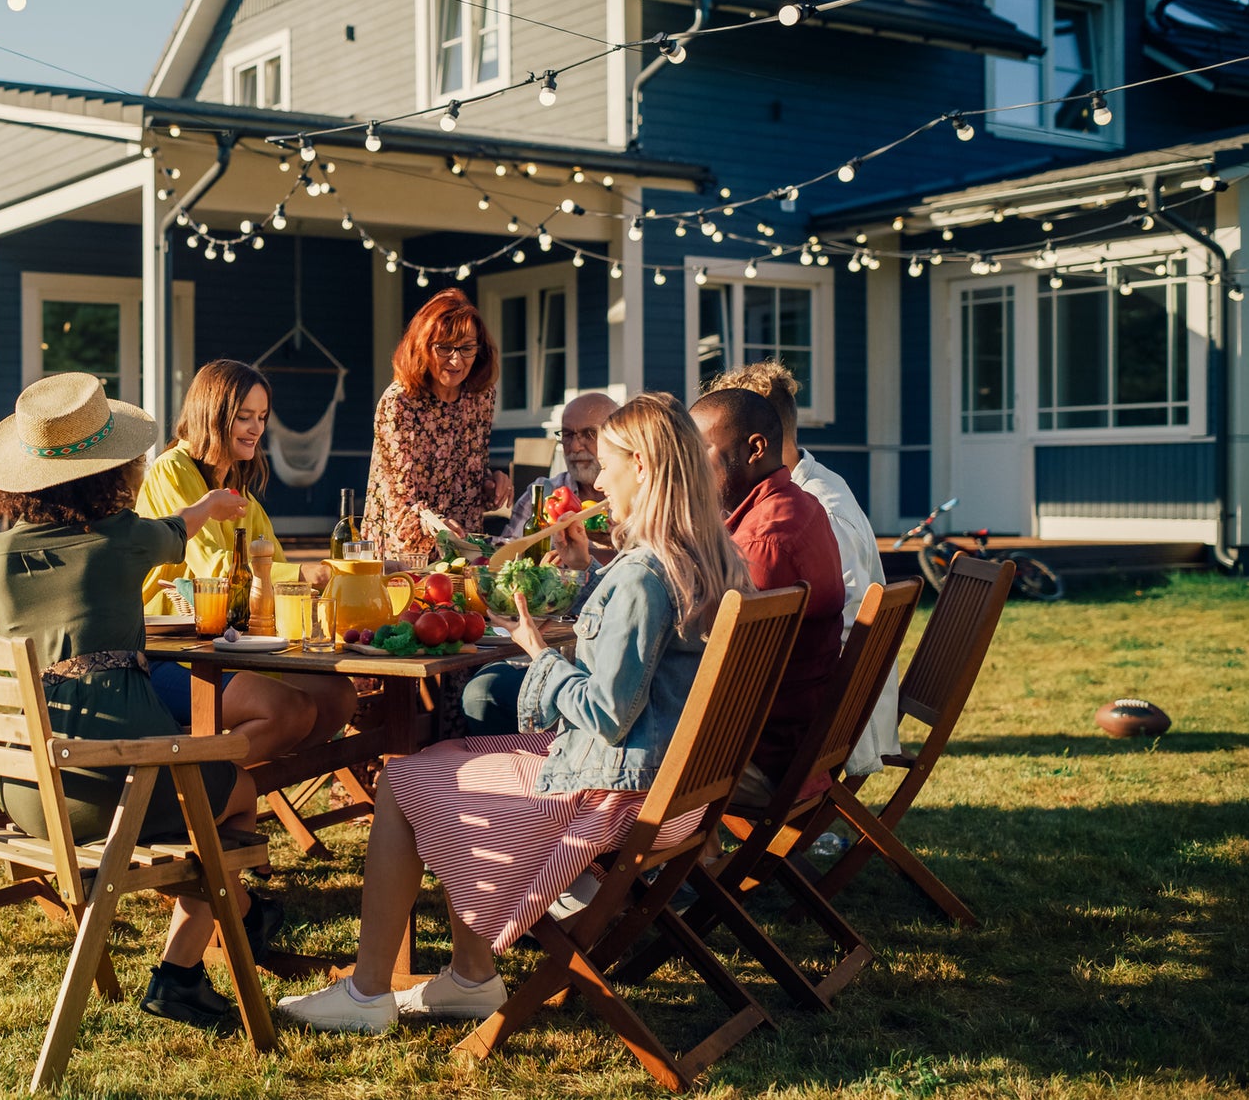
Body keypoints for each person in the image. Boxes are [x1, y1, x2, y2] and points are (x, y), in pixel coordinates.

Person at [275, 392, 753, 1032]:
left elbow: (608, 713)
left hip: (613, 796)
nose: (599, 479)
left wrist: (538, 653)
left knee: (403, 780)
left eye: (608, 464)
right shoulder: (711, 558)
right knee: (449, 763)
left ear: (641, 467)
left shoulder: (644, 574)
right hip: (677, 795)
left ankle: (367, 995)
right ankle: (470, 977)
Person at [0, 371, 277, 1029]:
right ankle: (182, 969)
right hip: (120, 782)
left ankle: (248, 913)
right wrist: (214, 509)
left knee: (197, 799)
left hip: (28, 790)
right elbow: (180, 526)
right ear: (113, 475)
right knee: (237, 791)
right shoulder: (123, 540)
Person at [135, 360, 358, 756]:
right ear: (213, 415)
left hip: (227, 645)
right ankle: (204, 794)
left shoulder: (240, 494)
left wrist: (352, 583)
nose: (256, 428)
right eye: (244, 417)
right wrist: (309, 572)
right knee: (290, 708)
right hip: (166, 653)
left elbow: (282, 585)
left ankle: (242, 781)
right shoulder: (171, 470)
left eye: (262, 417)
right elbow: (216, 569)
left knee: (338, 696)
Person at [706, 361, 900, 775]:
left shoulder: (814, 511)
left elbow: (844, 632)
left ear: (754, 441)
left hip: (827, 726)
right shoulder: (804, 492)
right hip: (812, 717)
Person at [688, 387, 844, 805]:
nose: (689, 470)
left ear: (755, 448)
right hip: (798, 746)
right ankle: (693, 862)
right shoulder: (801, 504)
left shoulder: (763, 542)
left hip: (759, 761)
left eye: (700, 451)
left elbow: (718, 672)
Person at [360, 289, 498, 558]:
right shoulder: (399, 402)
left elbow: (469, 476)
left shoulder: (481, 397)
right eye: (445, 348)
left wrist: (492, 483)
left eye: (467, 348)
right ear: (423, 346)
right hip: (404, 552)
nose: (457, 360)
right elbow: (400, 498)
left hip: (463, 548)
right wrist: (435, 524)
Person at [501, 391, 619, 541]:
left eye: (589, 434)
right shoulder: (542, 494)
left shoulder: (637, 497)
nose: (575, 447)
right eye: (567, 434)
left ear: (616, 436)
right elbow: (508, 551)